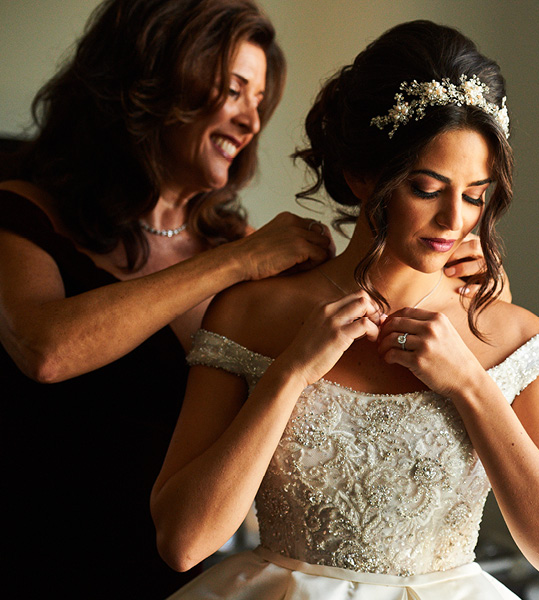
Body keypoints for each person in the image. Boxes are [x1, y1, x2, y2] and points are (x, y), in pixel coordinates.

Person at [150, 19, 539, 599]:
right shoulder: (250, 315)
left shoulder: (515, 339)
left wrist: (469, 384)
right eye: (427, 188)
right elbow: (183, 542)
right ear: (362, 175)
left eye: (474, 195)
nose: (454, 222)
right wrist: (291, 371)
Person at [0, 1, 334, 597]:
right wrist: (230, 262)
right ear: (153, 79)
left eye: (259, 102)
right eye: (234, 90)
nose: (250, 120)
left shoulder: (240, 251)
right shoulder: (21, 209)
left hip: (162, 574)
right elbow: (44, 348)